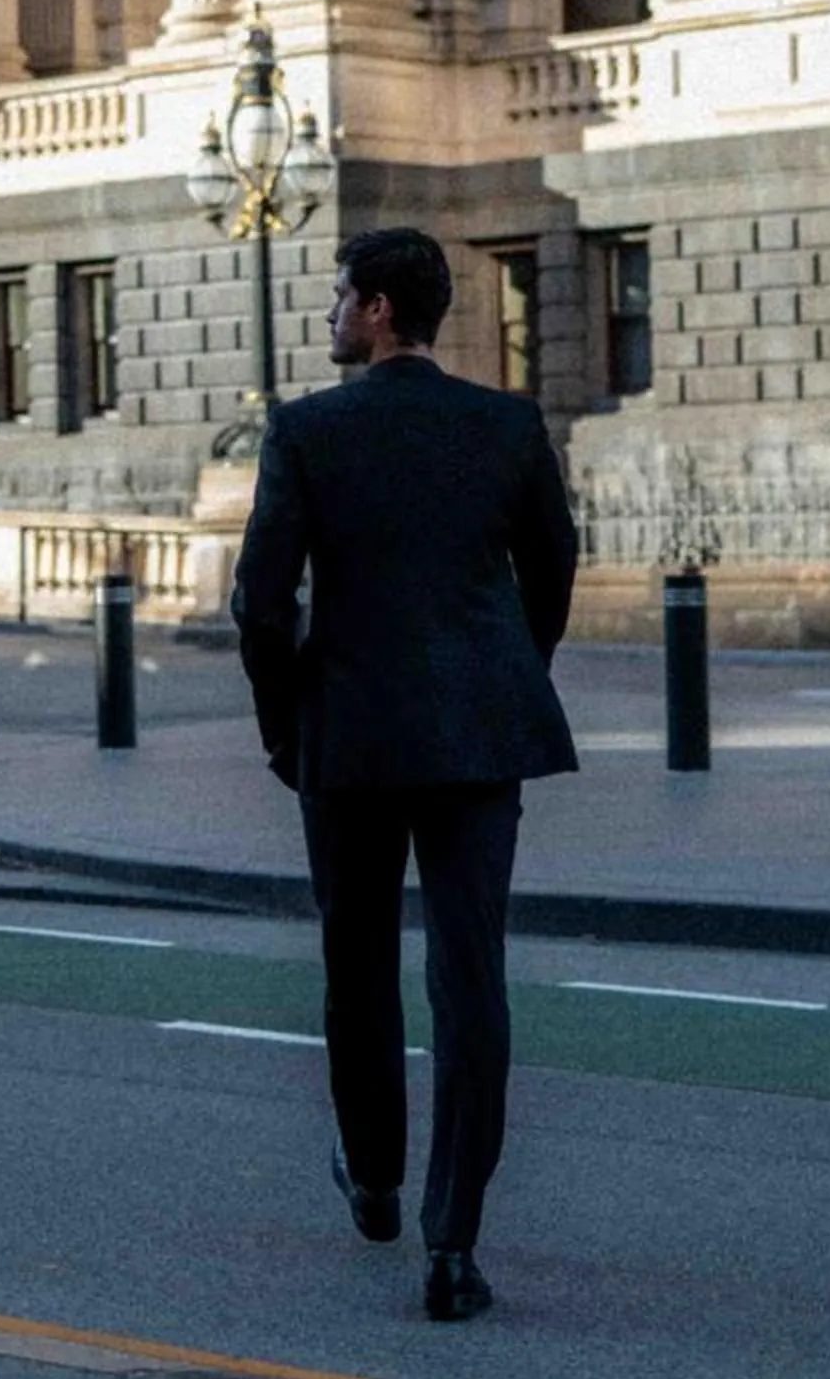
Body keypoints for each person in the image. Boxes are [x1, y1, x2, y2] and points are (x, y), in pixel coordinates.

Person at [232, 226, 578, 1322]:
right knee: (470, 982)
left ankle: (374, 1181)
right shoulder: (507, 425)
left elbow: (259, 602)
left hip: (353, 735)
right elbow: (554, 568)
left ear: (378, 310)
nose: (331, 312)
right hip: (478, 734)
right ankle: (452, 1244)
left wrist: (283, 722)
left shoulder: (306, 431)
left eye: (341, 296)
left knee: (358, 965)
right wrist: (506, 674)